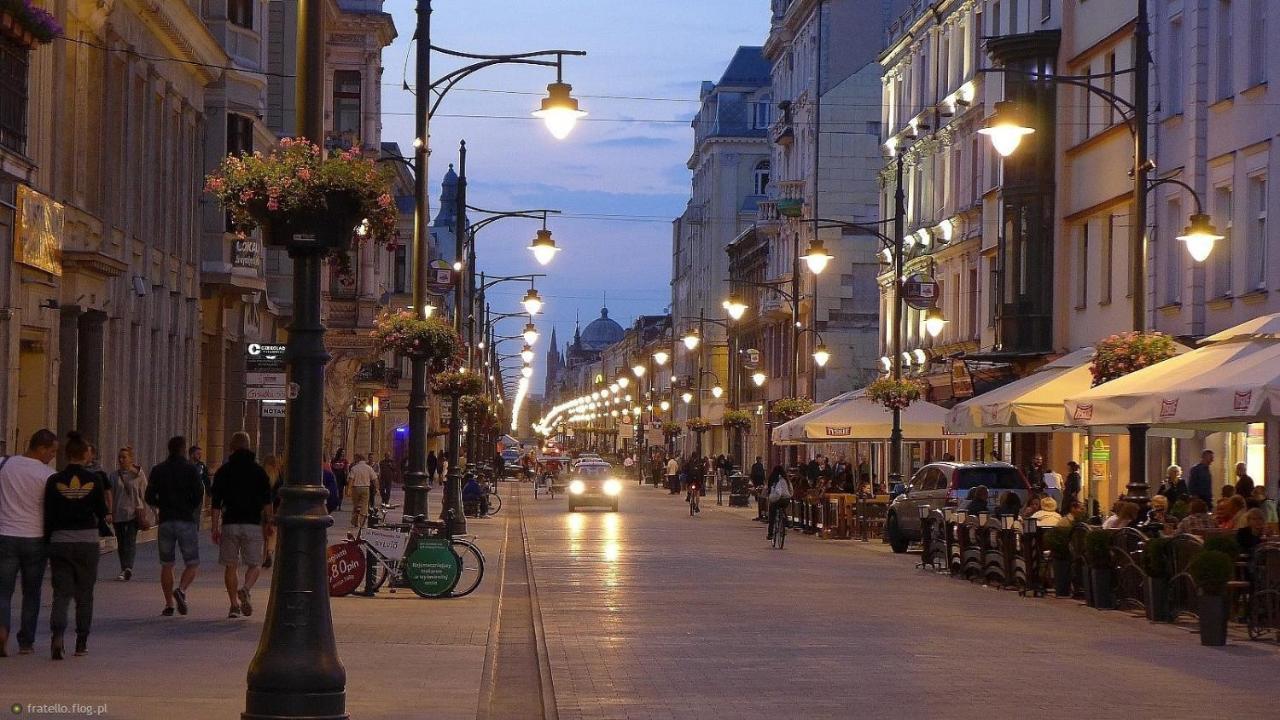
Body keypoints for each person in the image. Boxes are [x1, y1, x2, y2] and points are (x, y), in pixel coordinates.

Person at [42, 432, 109, 659]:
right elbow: (101, 511)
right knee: (85, 593)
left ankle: (57, 636)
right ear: (84, 454)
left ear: (67, 454)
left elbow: (48, 514)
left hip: (60, 540)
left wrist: (47, 540)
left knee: (61, 593)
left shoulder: (54, 481)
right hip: (87, 541)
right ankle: (81, 641)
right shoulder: (95, 480)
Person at [0, 429, 58, 657]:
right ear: (41, 448)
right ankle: (26, 642)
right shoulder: (48, 475)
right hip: (35, 538)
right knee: (31, 592)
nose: (52, 456)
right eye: (52, 451)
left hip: (5, 535)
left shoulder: (4, 464)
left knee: (3, 591)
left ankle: (2, 630)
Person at [209, 432, 272, 620]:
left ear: (231, 448)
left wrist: (214, 527)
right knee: (255, 564)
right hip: (252, 523)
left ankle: (234, 605)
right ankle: (245, 589)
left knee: (231, 565)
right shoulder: (259, 471)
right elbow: (267, 501)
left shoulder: (223, 471)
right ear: (249, 446)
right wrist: (269, 522)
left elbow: (215, 503)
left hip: (230, 523)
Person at [146, 436, 205, 617]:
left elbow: (149, 496)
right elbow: (199, 493)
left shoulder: (158, 470)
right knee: (192, 562)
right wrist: (190, 506)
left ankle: (169, 604)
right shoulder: (191, 469)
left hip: (166, 520)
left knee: (167, 564)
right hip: (186, 520)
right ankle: (181, 589)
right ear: (183, 449)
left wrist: (160, 504)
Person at [109, 446, 148, 582]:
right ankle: (123, 568)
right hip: (118, 513)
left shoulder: (138, 475)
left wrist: (152, 512)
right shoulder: (113, 476)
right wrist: (109, 512)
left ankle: (128, 568)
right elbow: (111, 495)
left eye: (124, 457)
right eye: (120, 457)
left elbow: (145, 494)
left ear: (131, 459)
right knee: (121, 542)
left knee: (130, 541)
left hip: (134, 513)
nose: (121, 460)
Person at [345, 454, 378, 529]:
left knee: (356, 505)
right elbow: (375, 479)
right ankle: (362, 523)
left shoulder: (354, 468)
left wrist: (349, 489)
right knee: (364, 505)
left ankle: (355, 521)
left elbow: (351, 479)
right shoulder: (368, 468)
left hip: (356, 488)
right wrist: (377, 488)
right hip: (365, 488)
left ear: (357, 459)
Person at [765, 465, 791, 540]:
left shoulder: (772, 477)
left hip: (776, 499)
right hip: (786, 499)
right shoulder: (786, 479)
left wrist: (769, 495)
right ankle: (786, 523)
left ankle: (770, 534)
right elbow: (790, 489)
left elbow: (769, 488)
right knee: (783, 508)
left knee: (772, 515)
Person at [189, 445, 210, 515]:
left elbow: (206, 479)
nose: (200, 456)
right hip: (187, 496)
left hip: (198, 496)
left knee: (196, 517)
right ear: (192, 455)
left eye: (200, 454)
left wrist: (209, 492)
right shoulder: (185, 465)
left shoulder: (202, 466)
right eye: (198, 454)